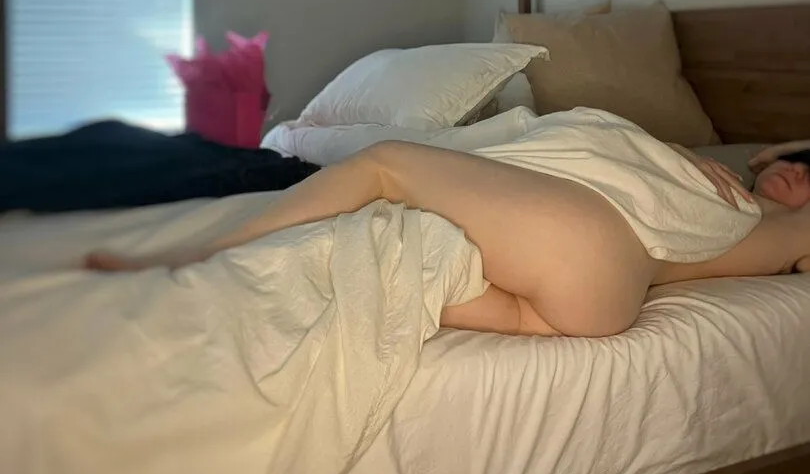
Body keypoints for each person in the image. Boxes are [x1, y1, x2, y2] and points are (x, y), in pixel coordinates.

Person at [85, 113, 810, 340]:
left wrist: (787, 153)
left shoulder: (790, 228)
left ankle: (209, 250)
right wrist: (752, 157)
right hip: (592, 295)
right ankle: (279, 278)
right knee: (394, 251)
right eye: (793, 166)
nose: (798, 177)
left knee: (386, 165)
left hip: (593, 241)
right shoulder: (728, 183)